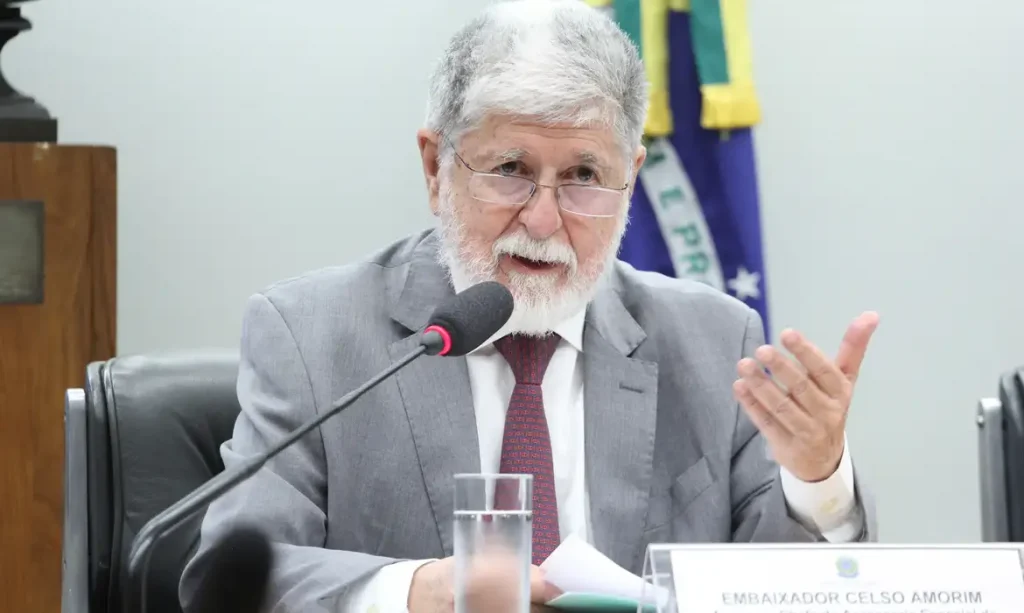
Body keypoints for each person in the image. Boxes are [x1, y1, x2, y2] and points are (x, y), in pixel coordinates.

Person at [179, 1, 879, 611]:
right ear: (435, 167)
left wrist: (817, 477)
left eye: (583, 176)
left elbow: (781, 586)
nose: (544, 221)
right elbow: (231, 577)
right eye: (511, 170)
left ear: (630, 178)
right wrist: (413, 592)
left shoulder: (715, 338)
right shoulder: (313, 337)